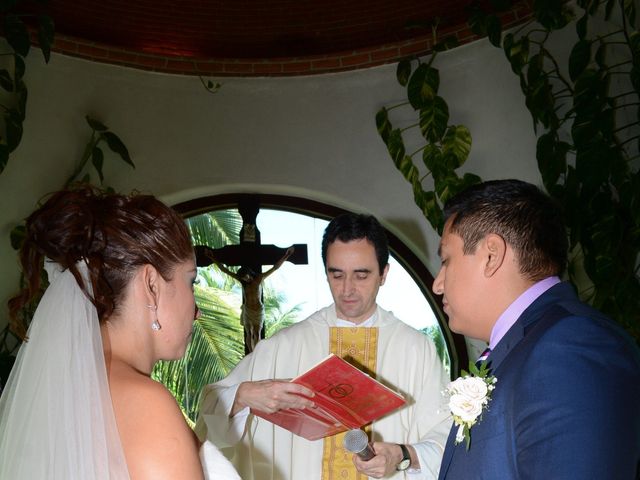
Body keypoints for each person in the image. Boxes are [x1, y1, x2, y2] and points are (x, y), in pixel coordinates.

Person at [0, 186, 240, 479]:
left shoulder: (59, 392)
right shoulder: (146, 405)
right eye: (191, 282)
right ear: (151, 285)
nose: (196, 310)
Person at [196, 212, 451, 480]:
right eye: (337, 275)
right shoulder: (285, 345)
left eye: (361, 275)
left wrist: (402, 454)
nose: (347, 289)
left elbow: (445, 436)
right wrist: (243, 395)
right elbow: (210, 407)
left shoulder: (414, 349)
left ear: (383, 274)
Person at [433, 179, 640, 479]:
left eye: (446, 261)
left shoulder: (569, 347)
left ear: (491, 255)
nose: (438, 284)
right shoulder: (522, 348)